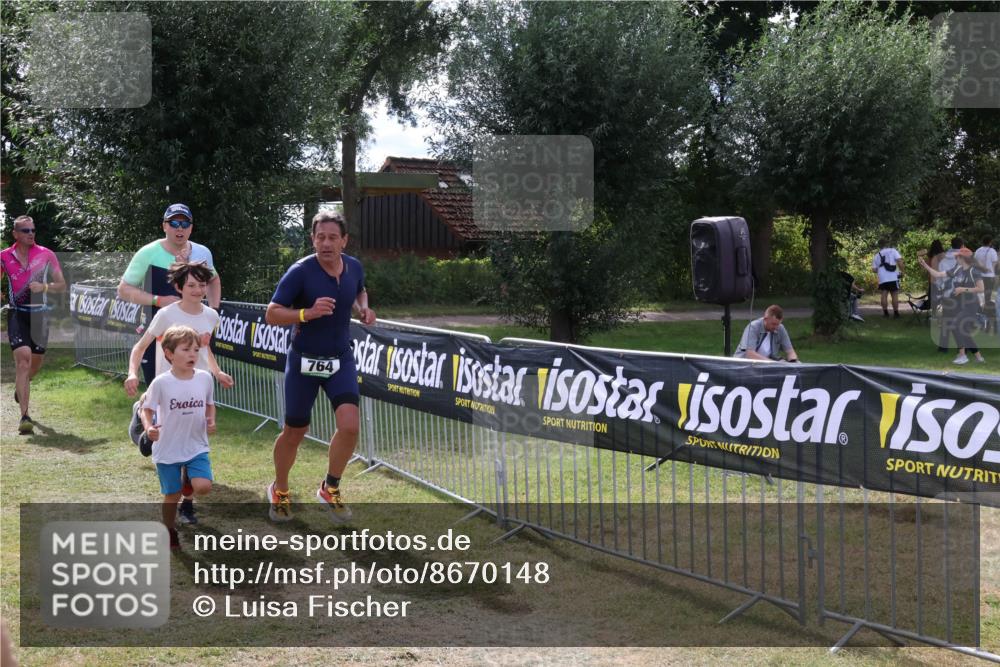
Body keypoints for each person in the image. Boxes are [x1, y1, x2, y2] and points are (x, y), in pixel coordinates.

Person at [264, 211, 376, 523]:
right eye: (319, 237)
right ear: (313, 239)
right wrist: (305, 314)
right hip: (304, 361)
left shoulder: (353, 265)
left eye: (332, 237)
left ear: (344, 240)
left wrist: (363, 309)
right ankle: (281, 489)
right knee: (295, 431)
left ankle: (330, 488)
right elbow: (272, 314)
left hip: (340, 358)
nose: (325, 243)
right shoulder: (300, 271)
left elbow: (358, 290)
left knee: (350, 426)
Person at [123, 261, 234, 524]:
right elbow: (140, 348)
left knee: (193, 447)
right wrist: (132, 373)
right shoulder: (166, 315)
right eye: (192, 285)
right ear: (179, 287)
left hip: (198, 388)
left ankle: (187, 505)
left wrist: (217, 373)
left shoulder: (211, 316)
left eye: (202, 285)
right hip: (168, 389)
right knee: (168, 448)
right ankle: (142, 416)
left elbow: (206, 351)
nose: (198, 290)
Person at [118, 203, 221, 385]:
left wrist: (213, 310)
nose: (179, 228)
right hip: (157, 329)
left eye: (185, 223)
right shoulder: (148, 253)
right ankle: (143, 412)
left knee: (193, 387)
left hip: (194, 333)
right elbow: (124, 290)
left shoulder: (202, 252)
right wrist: (158, 300)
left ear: (191, 228)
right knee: (157, 387)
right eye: (173, 223)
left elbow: (213, 279)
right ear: (164, 226)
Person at [140, 325, 216, 549]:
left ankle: (189, 483)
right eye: (186, 350)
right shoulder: (161, 383)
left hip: (196, 445)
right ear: (169, 354)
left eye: (195, 349)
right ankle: (169, 529)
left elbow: (210, 405)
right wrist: (148, 428)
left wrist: (211, 420)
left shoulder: (204, 379)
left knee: (203, 486)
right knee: (171, 495)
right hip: (167, 448)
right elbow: (147, 409)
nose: (192, 354)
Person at [1, 215, 66, 434]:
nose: (31, 234)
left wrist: (45, 287)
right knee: (23, 360)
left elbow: (61, 285)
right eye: (26, 230)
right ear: (15, 234)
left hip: (40, 315)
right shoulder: (3, 257)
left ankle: (22, 387)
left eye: (33, 230)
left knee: (35, 363)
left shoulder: (46, 254)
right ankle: (24, 417)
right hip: (17, 314)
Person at [918, 247, 985, 364]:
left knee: (956, 325)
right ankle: (978, 357)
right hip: (960, 304)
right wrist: (925, 265)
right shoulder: (957, 269)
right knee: (962, 331)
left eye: (957, 256)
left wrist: (963, 289)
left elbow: (981, 288)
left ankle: (962, 355)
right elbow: (938, 274)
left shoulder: (974, 271)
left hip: (971, 305)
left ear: (963, 258)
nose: (955, 258)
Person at [733, 304, 799, 362]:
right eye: (773, 324)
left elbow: (790, 351)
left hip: (767, 365)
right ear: (765, 319)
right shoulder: (753, 327)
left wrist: (793, 362)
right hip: (745, 365)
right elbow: (750, 354)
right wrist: (774, 364)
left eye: (778, 324)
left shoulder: (780, 328)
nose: (776, 327)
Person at [872, 238, 904, 318]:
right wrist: (902, 271)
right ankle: (896, 313)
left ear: (879, 246)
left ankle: (886, 313)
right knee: (894, 295)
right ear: (887, 244)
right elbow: (899, 261)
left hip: (883, 278)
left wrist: (881, 269)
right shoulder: (893, 250)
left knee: (884, 295)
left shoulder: (876, 255)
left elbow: (874, 270)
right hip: (893, 276)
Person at [974, 235, 997, 302]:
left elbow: (975, 262)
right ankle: (986, 309)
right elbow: (994, 264)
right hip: (989, 276)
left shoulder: (978, 250)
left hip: (979, 275)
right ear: (990, 242)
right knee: (988, 295)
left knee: (979, 294)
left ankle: (979, 309)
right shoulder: (992, 251)